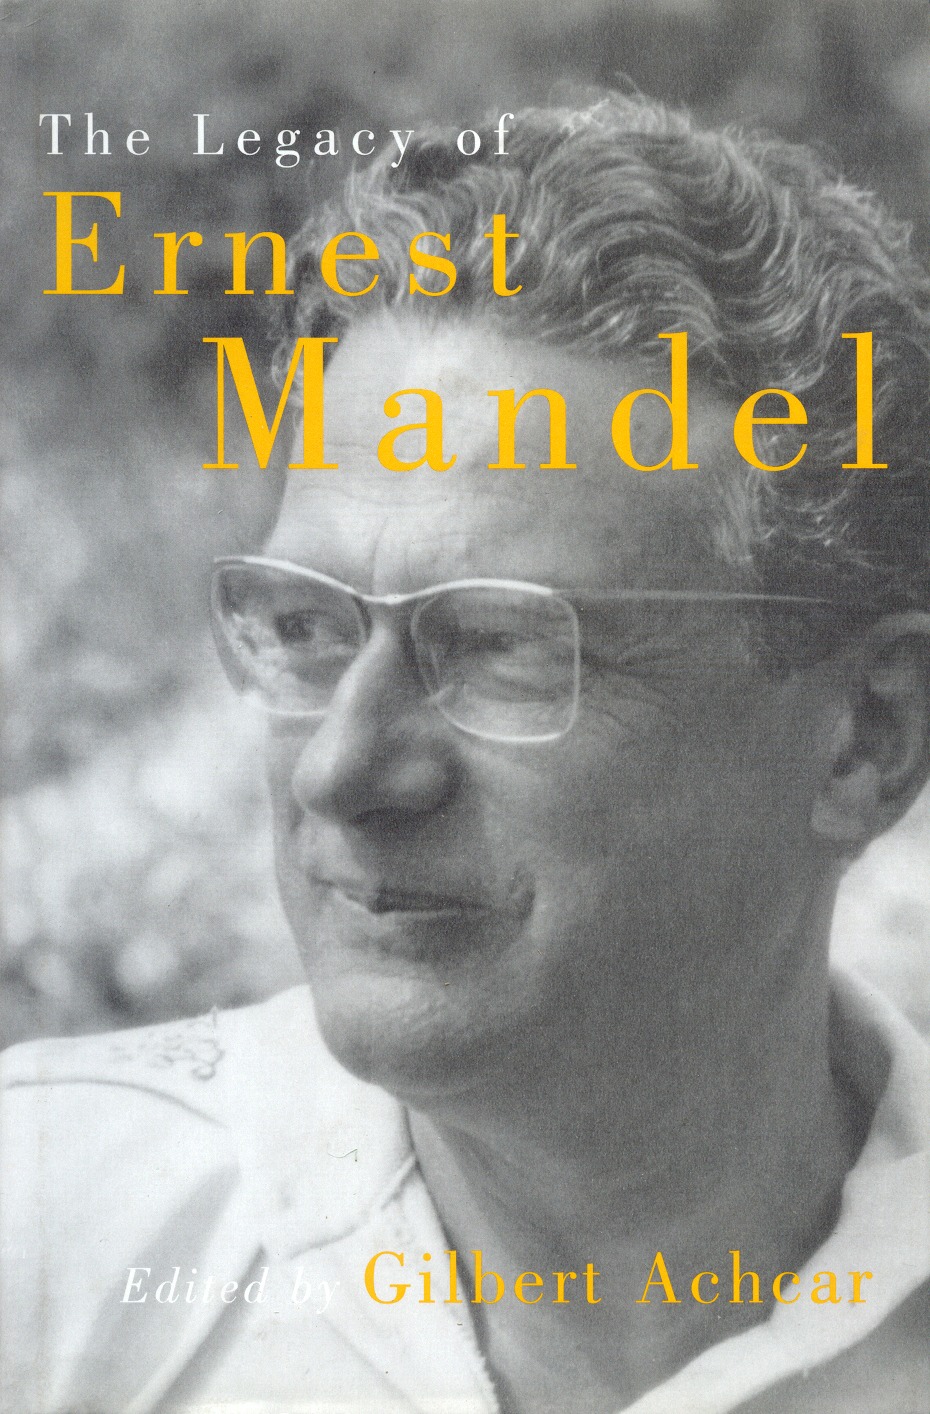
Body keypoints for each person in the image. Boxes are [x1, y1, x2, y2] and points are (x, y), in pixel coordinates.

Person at [2, 91, 929, 1414]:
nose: (337, 770)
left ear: (867, 737)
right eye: (307, 628)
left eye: (500, 643)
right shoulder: (48, 1236)